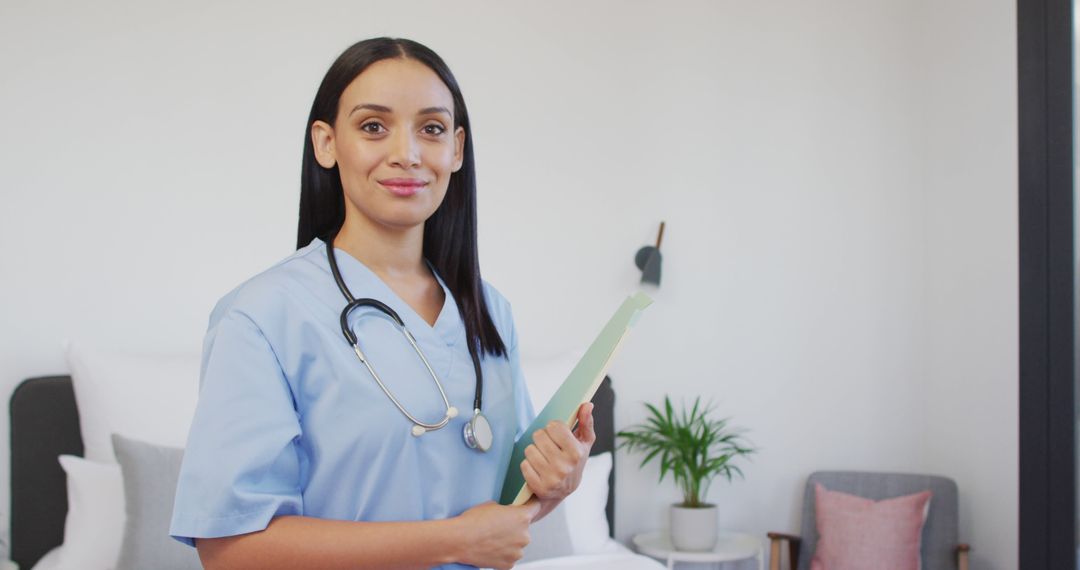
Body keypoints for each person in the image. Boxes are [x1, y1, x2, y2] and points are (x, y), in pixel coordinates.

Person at [169, 37, 596, 570]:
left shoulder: (489, 311)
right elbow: (229, 549)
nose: (407, 153)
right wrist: (452, 541)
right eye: (374, 126)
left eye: (432, 129)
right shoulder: (262, 316)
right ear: (326, 144)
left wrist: (559, 481)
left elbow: (503, 508)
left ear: (457, 150)